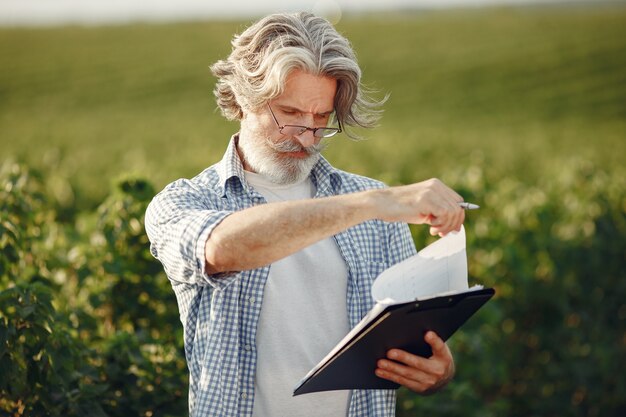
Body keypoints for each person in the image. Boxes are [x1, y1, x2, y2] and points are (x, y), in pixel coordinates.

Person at [145, 12, 466, 417]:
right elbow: (223, 247)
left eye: (320, 119)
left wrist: (438, 369)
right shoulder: (186, 201)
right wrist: (369, 205)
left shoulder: (375, 203)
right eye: (289, 113)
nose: (306, 135)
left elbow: (411, 332)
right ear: (244, 99)